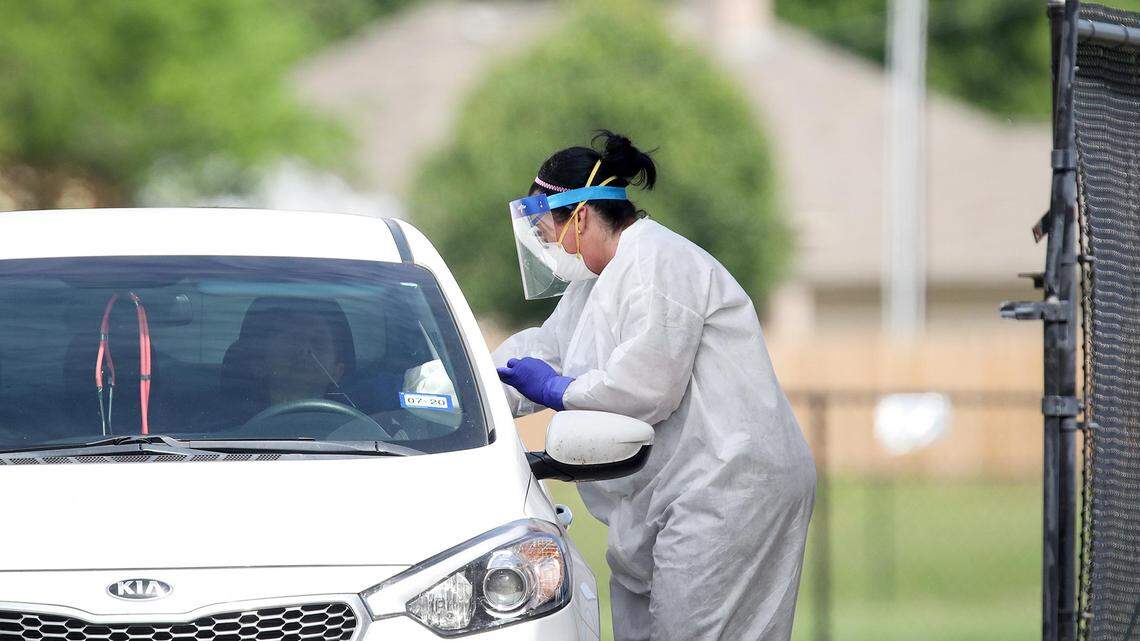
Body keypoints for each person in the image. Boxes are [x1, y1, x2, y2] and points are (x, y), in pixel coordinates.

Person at [494, 131, 816, 641]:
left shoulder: (657, 262)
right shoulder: (595, 283)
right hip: (667, 496)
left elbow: (645, 388)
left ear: (580, 216)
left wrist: (556, 390)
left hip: (728, 484)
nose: (547, 246)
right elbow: (544, 348)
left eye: (545, 230)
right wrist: (469, 384)